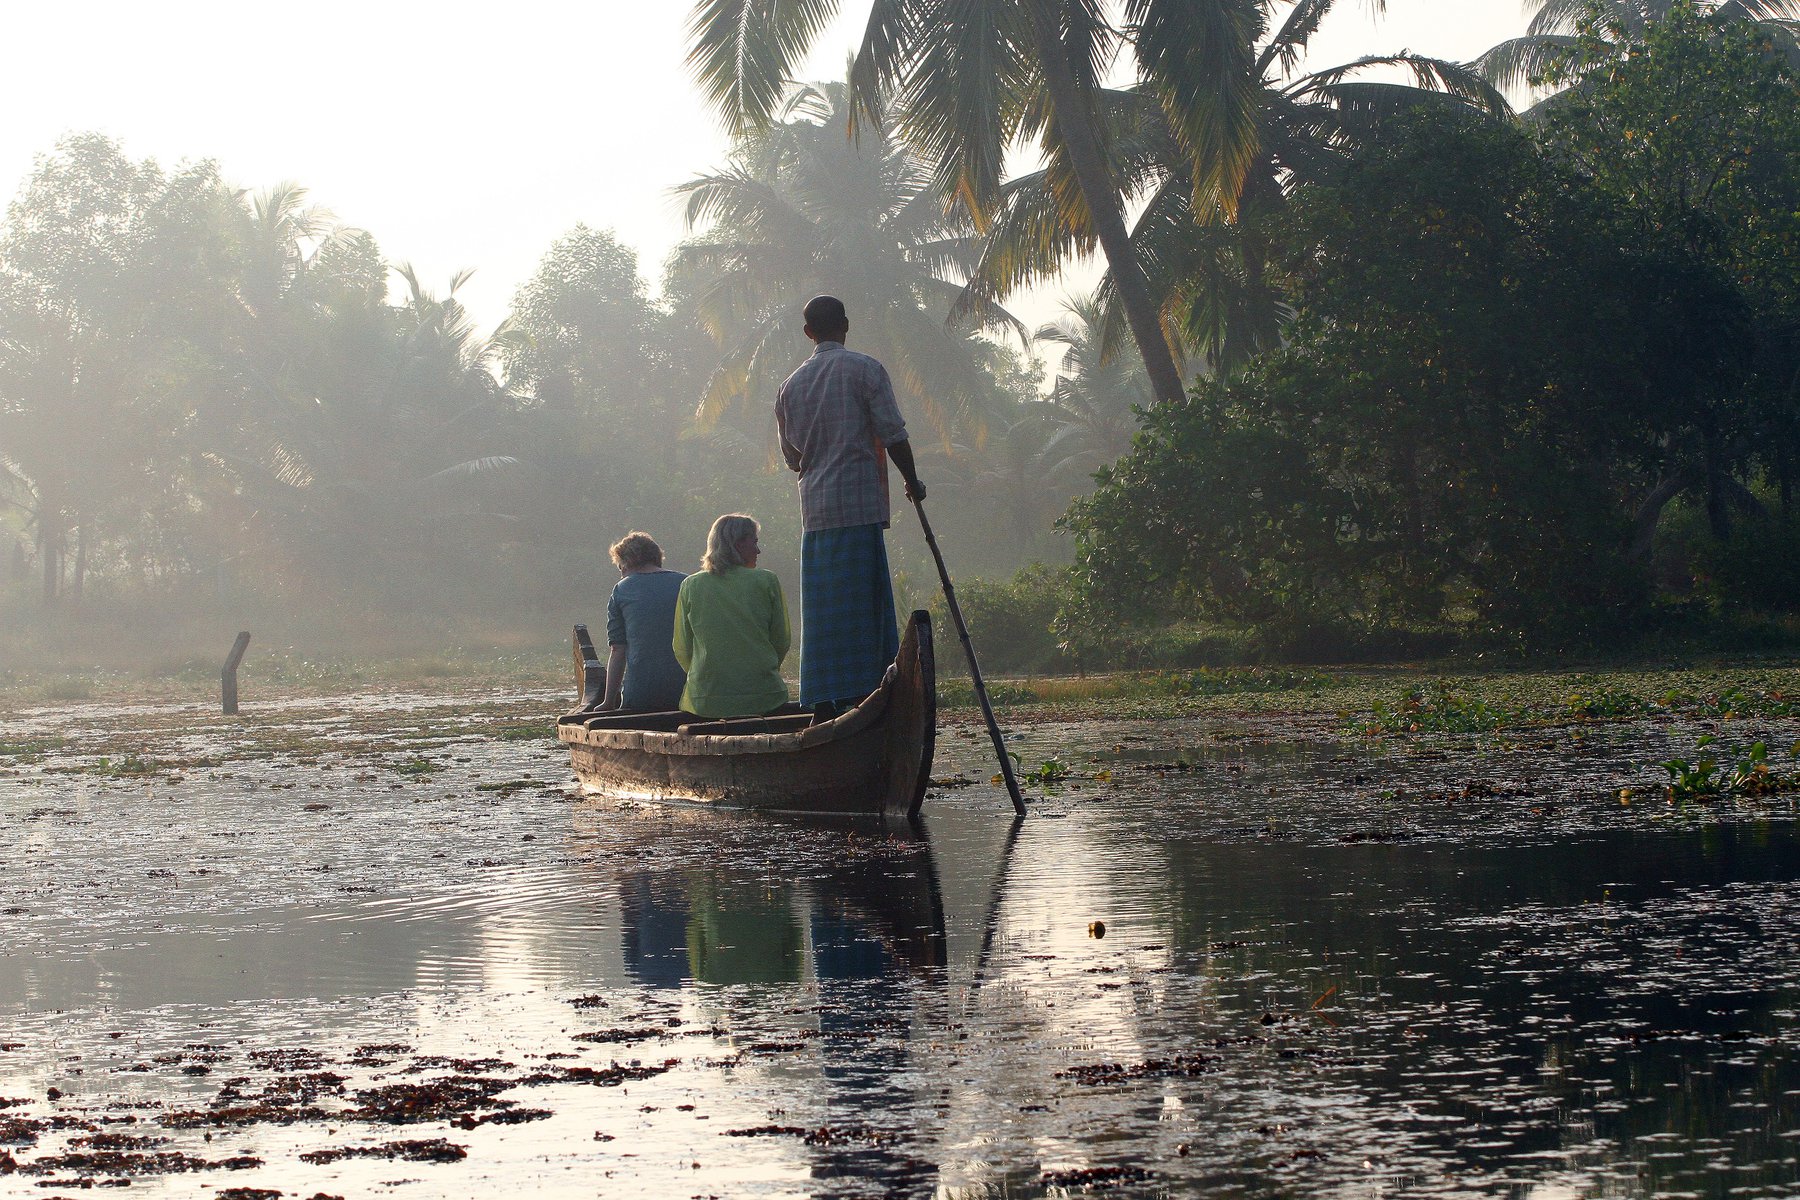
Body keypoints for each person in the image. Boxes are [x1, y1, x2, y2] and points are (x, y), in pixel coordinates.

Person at [775, 295, 926, 724]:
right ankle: (869, 696)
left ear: (809, 333)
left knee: (824, 610)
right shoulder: (865, 369)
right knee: (866, 606)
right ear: (846, 324)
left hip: (817, 514)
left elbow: (793, 458)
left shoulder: (790, 387)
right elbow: (892, 433)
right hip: (858, 507)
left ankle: (825, 705)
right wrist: (911, 481)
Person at [672, 514, 792, 719]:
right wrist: (761, 670)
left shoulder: (691, 585)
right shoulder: (767, 580)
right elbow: (781, 640)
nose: (758, 550)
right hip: (764, 694)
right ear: (737, 544)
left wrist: (706, 678)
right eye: (754, 542)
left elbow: (682, 647)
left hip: (705, 697)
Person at [599, 531, 687, 712]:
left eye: (619, 566)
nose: (621, 573)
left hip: (641, 694)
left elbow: (618, 650)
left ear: (626, 563)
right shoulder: (686, 582)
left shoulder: (621, 590)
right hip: (688, 691)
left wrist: (608, 702)